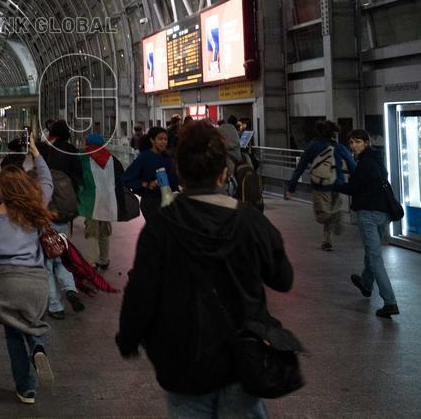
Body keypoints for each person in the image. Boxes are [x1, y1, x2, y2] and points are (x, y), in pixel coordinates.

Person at [116, 122, 294, 418]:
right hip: (241, 360)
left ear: (180, 172)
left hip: (183, 360)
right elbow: (283, 279)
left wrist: (128, 338)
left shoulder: (161, 226)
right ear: (224, 172)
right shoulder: (250, 221)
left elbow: (141, 291)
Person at [0, 136, 56, 405]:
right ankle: (38, 346)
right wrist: (36, 153)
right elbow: (47, 181)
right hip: (37, 281)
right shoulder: (36, 207)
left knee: (13, 334)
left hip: (8, 282)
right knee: (34, 322)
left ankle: (26, 388)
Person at [336, 129, 399, 318]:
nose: (353, 146)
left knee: (375, 258)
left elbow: (354, 187)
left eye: (357, 142)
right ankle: (366, 283)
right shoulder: (377, 159)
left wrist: (334, 185)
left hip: (368, 214)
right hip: (383, 213)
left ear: (366, 143)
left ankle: (390, 302)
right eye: (351, 142)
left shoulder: (364, 164)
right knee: (371, 251)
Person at [285, 120, 356, 251]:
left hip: (320, 187)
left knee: (321, 215)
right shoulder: (338, 146)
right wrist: (355, 181)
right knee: (331, 209)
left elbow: (300, 167)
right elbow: (351, 164)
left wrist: (291, 188)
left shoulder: (312, 146)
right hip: (337, 184)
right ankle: (327, 240)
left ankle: (334, 219)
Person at [36, 142, 84, 319]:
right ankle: (70, 289)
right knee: (61, 259)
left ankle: (55, 306)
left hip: (44, 225)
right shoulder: (59, 174)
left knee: (47, 266)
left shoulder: (34, 176)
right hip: (62, 222)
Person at [82, 132, 122, 272]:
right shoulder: (112, 159)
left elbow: (81, 179)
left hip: (92, 200)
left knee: (92, 230)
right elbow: (120, 177)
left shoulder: (84, 158)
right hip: (107, 199)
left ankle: (92, 262)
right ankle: (104, 259)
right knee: (104, 229)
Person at [122, 126, 179, 218]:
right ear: (152, 140)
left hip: (168, 201)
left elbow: (175, 180)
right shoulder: (144, 158)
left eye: (165, 139)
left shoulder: (168, 158)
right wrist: (146, 184)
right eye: (160, 139)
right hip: (151, 202)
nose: (163, 142)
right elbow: (126, 179)